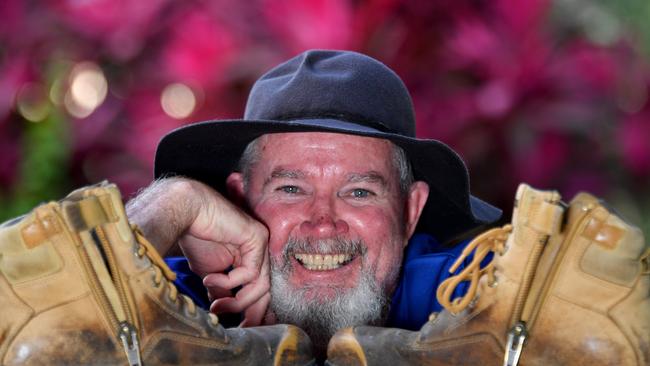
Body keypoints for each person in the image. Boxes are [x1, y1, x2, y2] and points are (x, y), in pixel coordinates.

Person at [125, 49, 501, 356]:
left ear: (409, 211)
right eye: (291, 189)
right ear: (239, 199)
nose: (323, 223)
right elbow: (69, 292)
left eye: (359, 192)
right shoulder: (166, 298)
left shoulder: (466, 294)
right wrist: (177, 201)